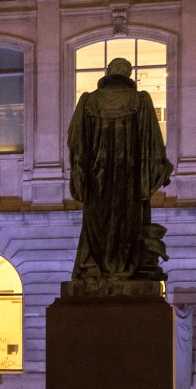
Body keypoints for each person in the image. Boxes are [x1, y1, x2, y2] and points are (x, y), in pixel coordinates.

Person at [67, 57, 173, 291]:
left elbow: (75, 142)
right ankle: (123, 268)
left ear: (108, 72)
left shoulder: (88, 101)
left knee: (96, 225)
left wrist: (81, 176)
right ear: (128, 74)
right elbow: (153, 142)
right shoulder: (140, 101)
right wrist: (160, 168)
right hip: (130, 183)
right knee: (128, 224)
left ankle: (94, 267)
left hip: (97, 182)